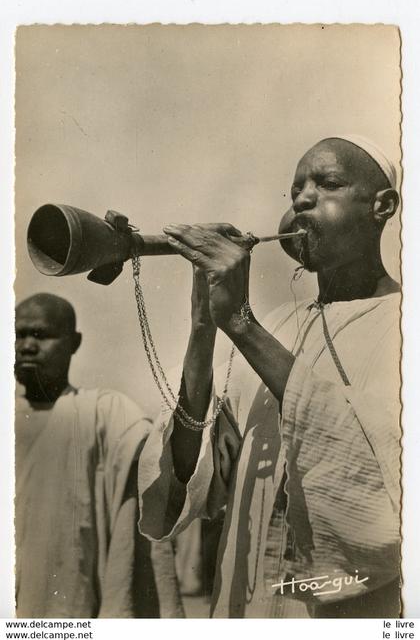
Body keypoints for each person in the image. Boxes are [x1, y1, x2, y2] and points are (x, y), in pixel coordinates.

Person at [137, 135, 401, 618]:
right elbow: (193, 475)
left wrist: (239, 322)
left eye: (328, 184)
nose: (302, 198)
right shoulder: (275, 326)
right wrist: (204, 328)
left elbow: (378, 470)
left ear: (381, 206)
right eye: (297, 187)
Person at [15, 292, 159, 618]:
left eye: (40, 335)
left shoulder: (104, 415)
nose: (26, 346)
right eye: (17, 334)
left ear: (74, 342)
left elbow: (155, 454)